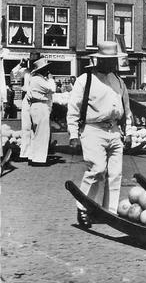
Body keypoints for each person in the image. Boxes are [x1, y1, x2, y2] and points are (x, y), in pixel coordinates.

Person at [67, 41, 132, 228]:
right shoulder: (85, 80)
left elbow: (126, 110)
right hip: (93, 130)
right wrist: (73, 134)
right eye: (108, 60)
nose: (112, 64)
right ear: (99, 60)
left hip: (114, 131)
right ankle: (83, 207)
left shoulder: (119, 81)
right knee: (96, 170)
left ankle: (108, 212)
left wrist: (128, 131)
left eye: (114, 60)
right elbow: (73, 109)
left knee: (115, 173)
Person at [27, 57, 56, 166]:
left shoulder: (34, 79)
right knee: (42, 133)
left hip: (36, 106)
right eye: (46, 68)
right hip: (40, 106)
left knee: (35, 133)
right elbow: (52, 89)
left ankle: (33, 156)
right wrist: (51, 79)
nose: (48, 71)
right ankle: (38, 159)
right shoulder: (38, 80)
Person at [11, 55, 35, 160]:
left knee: (35, 127)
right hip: (26, 98)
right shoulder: (25, 71)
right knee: (26, 127)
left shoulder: (41, 73)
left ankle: (34, 152)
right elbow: (13, 72)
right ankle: (25, 153)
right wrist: (20, 64)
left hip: (36, 100)